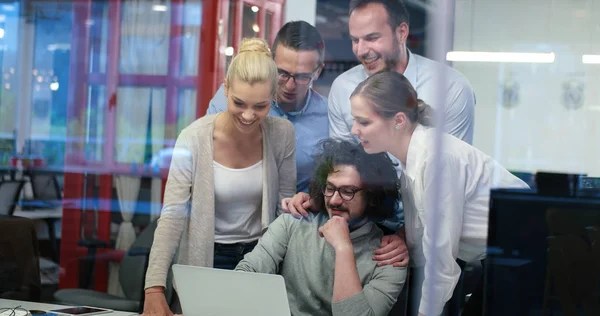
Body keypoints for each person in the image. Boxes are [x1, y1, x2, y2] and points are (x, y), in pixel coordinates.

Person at [349, 71, 529, 316]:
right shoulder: (412, 160)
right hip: (501, 258)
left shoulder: (436, 158)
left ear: (399, 120)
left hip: (527, 257)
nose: (353, 130)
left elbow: (441, 259)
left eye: (364, 122)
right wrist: (403, 240)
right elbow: (423, 238)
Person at [141, 38, 296, 316]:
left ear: (273, 97)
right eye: (239, 103)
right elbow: (172, 217)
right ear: (225, 88)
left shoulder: (282, 133)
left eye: (260, 107)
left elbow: (286, 215)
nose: (249, 116)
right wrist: (154, 288)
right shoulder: (193, 137)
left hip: (260, 259)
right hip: (207, 259)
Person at [235, 138, 407, 316]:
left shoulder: (389, 257)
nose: (334, 200)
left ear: (372, 196)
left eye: (348, 191)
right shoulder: (293, 222)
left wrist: (343, 248)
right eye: (330, 188)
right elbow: (245, 275)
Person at [328, 0, 475, 146]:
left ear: (401, 33)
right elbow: (343, 162)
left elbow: (453, 164)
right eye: (355, 40)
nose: (361, 51)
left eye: (372, 38)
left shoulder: (451, 88)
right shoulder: (342, 88)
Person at [207, 21, 329, 193]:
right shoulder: (233, 97)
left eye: (302, 77)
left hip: (295, 216)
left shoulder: (329, 117)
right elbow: (204, 158)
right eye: (282, 73)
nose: (289, 85)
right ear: (271, 61)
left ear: (317, 71)